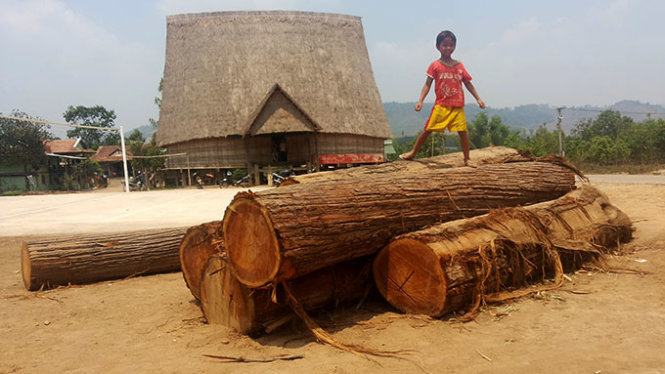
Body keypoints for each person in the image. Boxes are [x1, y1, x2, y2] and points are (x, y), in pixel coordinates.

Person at [399, 30, 485, 165]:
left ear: (454, 46)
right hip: (441, 105)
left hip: (457, 105)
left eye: (451, 45)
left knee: (463, 132)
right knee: (428, 130)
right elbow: (427, 84)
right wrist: (420, 100)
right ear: (438, 46)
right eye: (444, 45)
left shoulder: (459, 66)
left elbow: (468, 83)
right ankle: (413, 152)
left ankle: (467, 159)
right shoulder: (435, 65)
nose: (448, 48)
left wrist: (478, 99)